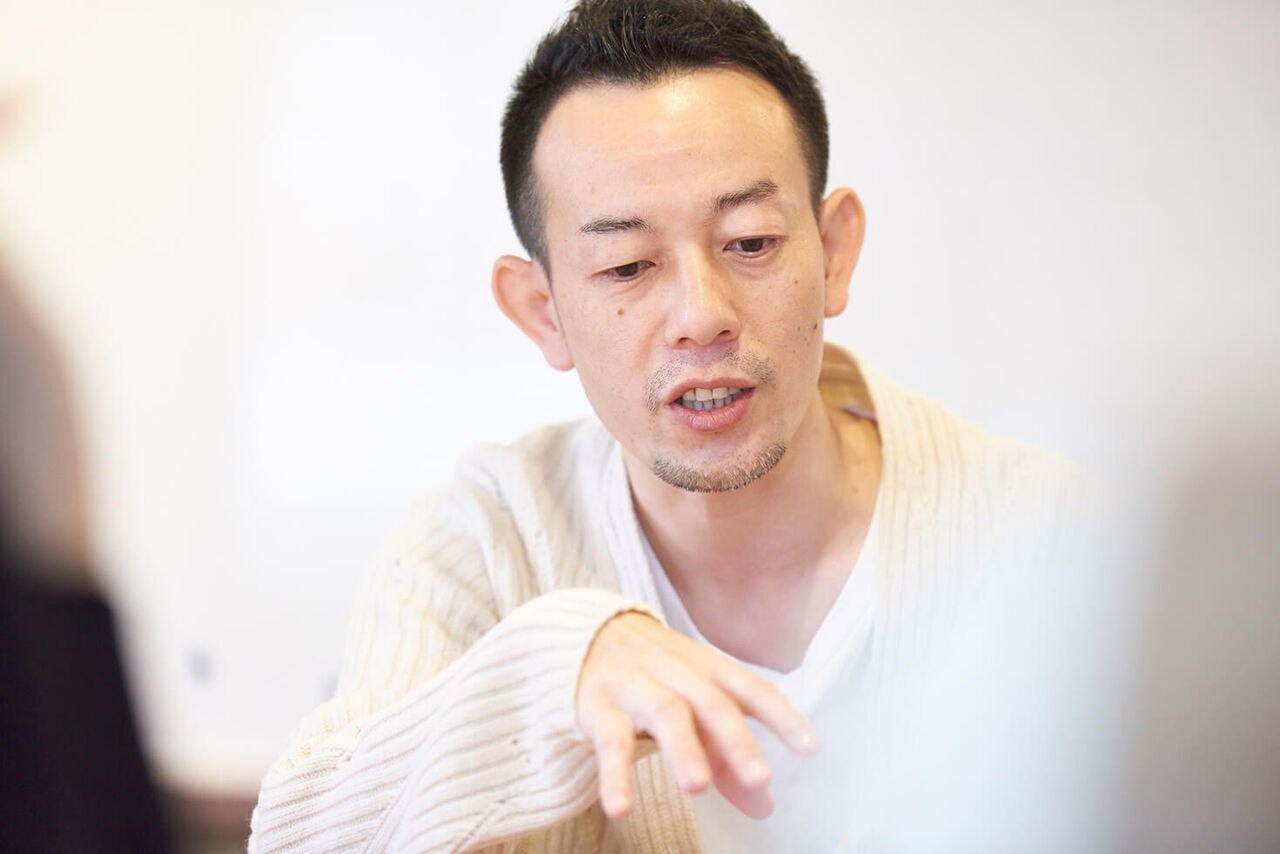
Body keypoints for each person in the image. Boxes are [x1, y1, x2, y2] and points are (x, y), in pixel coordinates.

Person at [248, 1, 1087, 850]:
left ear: (834, 252)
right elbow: (293, 835)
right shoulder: (486, 543)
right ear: (542, 311)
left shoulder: (1043, 536)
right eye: (627, 266)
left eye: (750, 242)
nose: (700, 316)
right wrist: (550, 674)